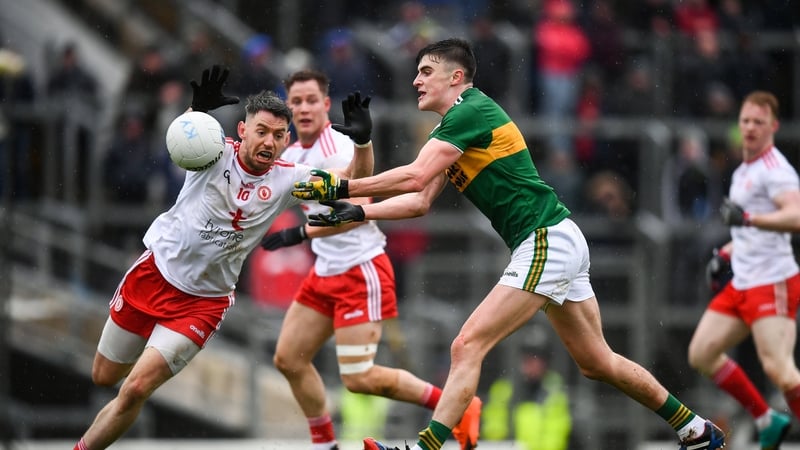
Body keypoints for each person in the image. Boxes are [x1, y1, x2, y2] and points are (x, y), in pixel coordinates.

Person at [292, 38, 726, 450]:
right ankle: (694, 429)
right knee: (597, 362)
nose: (416, 81)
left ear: (457, 77)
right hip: (557, 237)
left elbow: (414, 176)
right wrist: (362, 211)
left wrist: (342, 186)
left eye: (426, 72)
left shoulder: (469, 111)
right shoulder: (454, 128)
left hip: (544, 240)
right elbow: (421, 200)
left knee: (467, 345)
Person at [71, 65, 374, 450]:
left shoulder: (290, 178)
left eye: (279, 135)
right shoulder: (213, 152)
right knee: (104, 376)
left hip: (202, 304)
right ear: (243, 130)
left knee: (135, 388)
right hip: (153, 274)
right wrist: (195, 110)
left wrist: (363, 143)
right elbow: (181, 138)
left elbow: (354, 182)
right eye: (261, 131)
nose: (269, 142)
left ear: (286, 141)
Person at [261, 69, 480, 450]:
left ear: (326, 105)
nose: (304, 108)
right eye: (295, 101)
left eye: (311, 100)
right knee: (288, 359)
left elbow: (355, 209)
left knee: (359, 378)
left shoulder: (339, 147)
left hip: (360, 270)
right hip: (325, 271)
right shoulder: (293, 154)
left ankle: (455, 405)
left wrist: (299, 233)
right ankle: (325, 445)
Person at [688, 90, 800, 450]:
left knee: (779, 370)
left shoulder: (776, 171)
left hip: (772, 282)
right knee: (702, 353)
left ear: (773, 126)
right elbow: (749, 232)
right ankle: (768, 419)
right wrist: (725, 252)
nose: (750, 128)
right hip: (743, 282)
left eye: (758, 122)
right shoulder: (743, 171)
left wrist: (748, 218)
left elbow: (796, 216)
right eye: (746, 121)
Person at [482, 328, 571, 450]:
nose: (532, 364)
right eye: (528, 359)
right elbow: (492, 427)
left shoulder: (554, 392)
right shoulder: (504, 390)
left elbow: (556, 434)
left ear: (545, 363)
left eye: (537, 360)